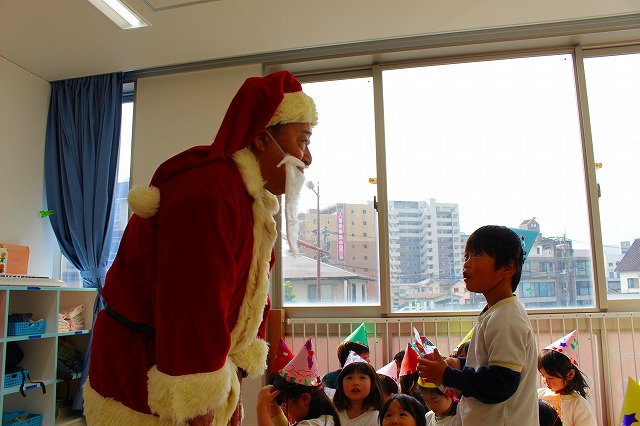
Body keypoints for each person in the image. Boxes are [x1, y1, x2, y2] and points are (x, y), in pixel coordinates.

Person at [83, 71, 318, 425]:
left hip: (191, 360)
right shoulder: (209, 189)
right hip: (145, 366)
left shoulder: (250, 197)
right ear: (261, 139)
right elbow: (193, 301)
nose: (308, 157)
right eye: (303, 141)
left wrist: (235, 370)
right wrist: (199, 400)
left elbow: (251, 293)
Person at [417, 225, 540, 425]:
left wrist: (447, 375)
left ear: (508, 267)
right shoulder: (496, 312)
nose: (466, 264)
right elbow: (491, 364)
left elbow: (501, 383)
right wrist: (459, 364)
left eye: (477, 255)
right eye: (466, 256)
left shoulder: (507, 318)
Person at [258, 337, 341, 426]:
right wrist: (273, 405)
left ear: (305, 399)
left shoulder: (311, 424)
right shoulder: (325, 420)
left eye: (285, 405)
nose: (285, 409)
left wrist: (262, 406)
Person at [537, 330, 596, 426]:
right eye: (542, 376)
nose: (545, 381)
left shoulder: (578, 404)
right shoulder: (538, 395)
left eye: (551, 378)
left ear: (570, 375)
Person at [333, 352, 385, 426]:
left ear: (373, 384)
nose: (355, 383)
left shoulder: (376, 417)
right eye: (349, 378)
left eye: (362, 378)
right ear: (341, 385)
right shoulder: (336, 415)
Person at [323, 323, 371, 390]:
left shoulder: (370, 378)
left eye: (368, 357)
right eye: (365, 357)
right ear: (349, 358)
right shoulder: (331, 378)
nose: (369, 361)